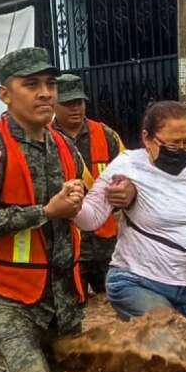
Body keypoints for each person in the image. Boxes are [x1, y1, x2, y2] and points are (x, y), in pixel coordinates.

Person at [0, 47, 135, 372]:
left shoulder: (64, 145)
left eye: (50, 84)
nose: (45, 93)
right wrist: (44, 212)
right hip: (5, 298)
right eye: (31, 84)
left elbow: (88, 209)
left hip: (62, 301)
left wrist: (123, 195)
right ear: (5, 94)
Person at [76, 101, 186, 330]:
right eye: (173, 144)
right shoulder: (128, 166)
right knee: (172, 337)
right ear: (147, 139)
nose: (182, 150)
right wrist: (71, 202)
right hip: (137, 281)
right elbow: (90, 218)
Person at [51, 73, 127, 295]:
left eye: (79, 102)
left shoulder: (106, 135)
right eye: (68, 103)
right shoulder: (45, 139)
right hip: (67, 247)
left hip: (107, 245)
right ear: (54, 105)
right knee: (74, 311)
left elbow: (129, 178)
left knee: (116, 306)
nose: (75, 108)